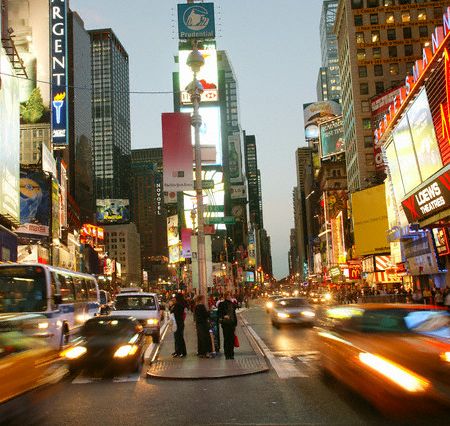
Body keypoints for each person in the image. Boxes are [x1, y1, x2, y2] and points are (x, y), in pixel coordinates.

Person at [218, 292, 237, 360]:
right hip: (226, 324)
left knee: (231, 339)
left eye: (230, 296)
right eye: (229, 296)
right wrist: (224, 316)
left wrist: (235, 323)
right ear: (226, 296)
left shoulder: (232, 304)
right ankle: (227, 354)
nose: (230, 297)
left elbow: (234, 313)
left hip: (232, 324)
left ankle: (231, 354)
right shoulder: (221, 304)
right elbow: (219, 313)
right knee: (226, 339)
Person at [171, 293, 187, 358]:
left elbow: (172, 312)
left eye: (175, 298)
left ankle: (182, 352)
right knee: (177, 337)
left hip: (178, 323)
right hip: (178, 322)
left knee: (179, 337)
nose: (173, 299)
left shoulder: (178, 305)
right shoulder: (177, 305)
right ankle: (177, 351)